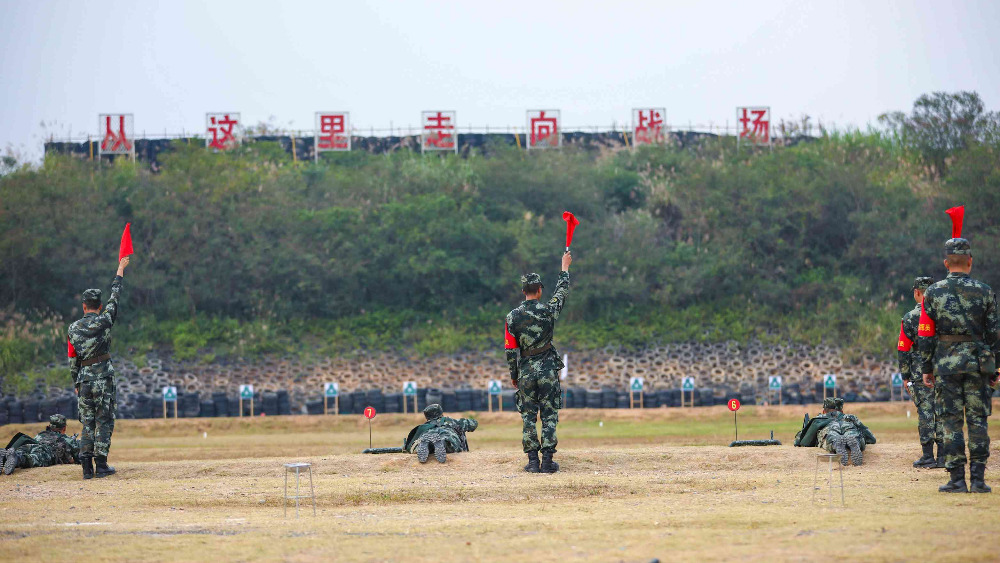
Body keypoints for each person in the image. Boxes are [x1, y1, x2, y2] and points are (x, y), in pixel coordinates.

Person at [919, 207, 999, 493]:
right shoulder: (985, 291)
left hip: (946, 365)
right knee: (978, 421)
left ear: (945, 262)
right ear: (970, 261)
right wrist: (996, 367)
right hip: (978, 364)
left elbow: (925, 334)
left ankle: (956, 480)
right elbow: (994, 334)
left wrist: (926, 368)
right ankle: (978, 479)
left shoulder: (933, 293)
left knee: (951, 422)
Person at [505, 251, 572, 473]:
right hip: (548, 371)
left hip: (525, 372)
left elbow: (510, 350)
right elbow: (561, 294)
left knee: (528, 416)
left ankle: (533, 462)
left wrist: (514, 375)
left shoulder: (512, 317)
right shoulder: (548, 311)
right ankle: (548, 462)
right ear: (540, 290)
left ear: (523, 291)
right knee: (549, 415)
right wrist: (564, 269)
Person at [68, 256, 129, 480]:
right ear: (99, 306)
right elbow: (116, 296)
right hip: (103, 377)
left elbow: (72, 358)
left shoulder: (73, 328)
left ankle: (86, 468)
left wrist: (76, 381)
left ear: (84, 306)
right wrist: (120, 270)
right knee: (104, 419)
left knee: (87, 422)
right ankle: (101, 465)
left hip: (83, 379)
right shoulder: (105, 320)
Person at [898, 276, 944, 468]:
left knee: (925, 412)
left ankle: (927, 456)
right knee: (942, 411)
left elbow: (903, 349)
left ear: (917, 292)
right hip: (943, 368)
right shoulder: (943, 314)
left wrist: (905, 376)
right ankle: (943, 456)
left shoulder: (910, 317)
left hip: (919, 371)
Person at [0, 414, 80, 475]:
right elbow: (78, 458)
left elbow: (35, 441)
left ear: (50, 426)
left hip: (32, 445)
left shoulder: (41, 434)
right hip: (46, 452)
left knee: (19, 452)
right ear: (64, 428)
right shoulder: (67, 439)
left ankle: (4, 455)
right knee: (30, 459)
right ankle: (17, 457)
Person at [402, 404, 478, 463]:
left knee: (423, 442)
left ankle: (429, 445)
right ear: (441, 413)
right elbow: (474, 424)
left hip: (429, 434)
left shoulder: (425, 427)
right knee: (448, 442)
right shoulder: (450, 421)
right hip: (448, 434)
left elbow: (409, 445)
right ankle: (442, 443)